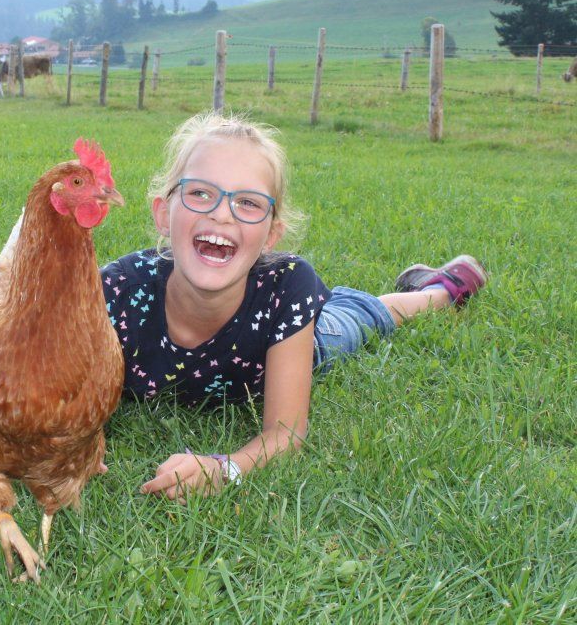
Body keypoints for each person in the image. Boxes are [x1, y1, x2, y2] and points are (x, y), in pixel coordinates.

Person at [99, 112, 487, 501]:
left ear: (271, 235)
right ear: (163, 214)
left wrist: (223, 469)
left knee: (353, 320)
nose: (221, 213)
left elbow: (285, 435)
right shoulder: (113, 294)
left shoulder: (283, 290)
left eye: (248, 202)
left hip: (286, 345)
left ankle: (439, 290)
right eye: (200, 193)